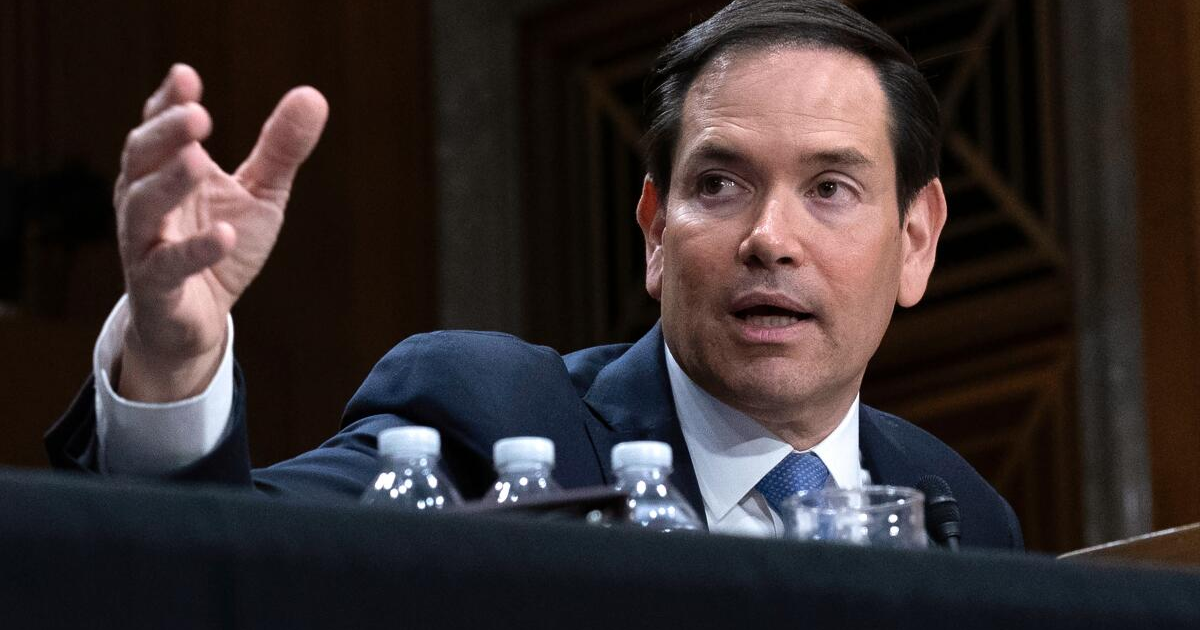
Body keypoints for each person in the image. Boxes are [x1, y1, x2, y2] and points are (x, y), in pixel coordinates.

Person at [48, 0, 1022, 548]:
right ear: (653, 229)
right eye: (719, 184)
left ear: (917, 240)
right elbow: (224, 563)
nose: (770, 238)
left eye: (830, 190)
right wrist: (174, 361)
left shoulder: (962, 511)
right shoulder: (489, 420)